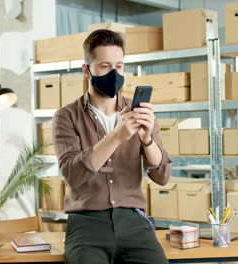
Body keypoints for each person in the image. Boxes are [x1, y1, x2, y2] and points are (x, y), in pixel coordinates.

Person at [52, 29, 172, 264]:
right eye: (105, 66)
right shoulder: (66, 116)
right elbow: (72, 174)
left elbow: (163, 176)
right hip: (86, 223)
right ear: (87, 70)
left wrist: (147, 140)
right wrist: (117, 136)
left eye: (119, 66)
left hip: (133, 220)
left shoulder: (140, 111)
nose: (114, 74)